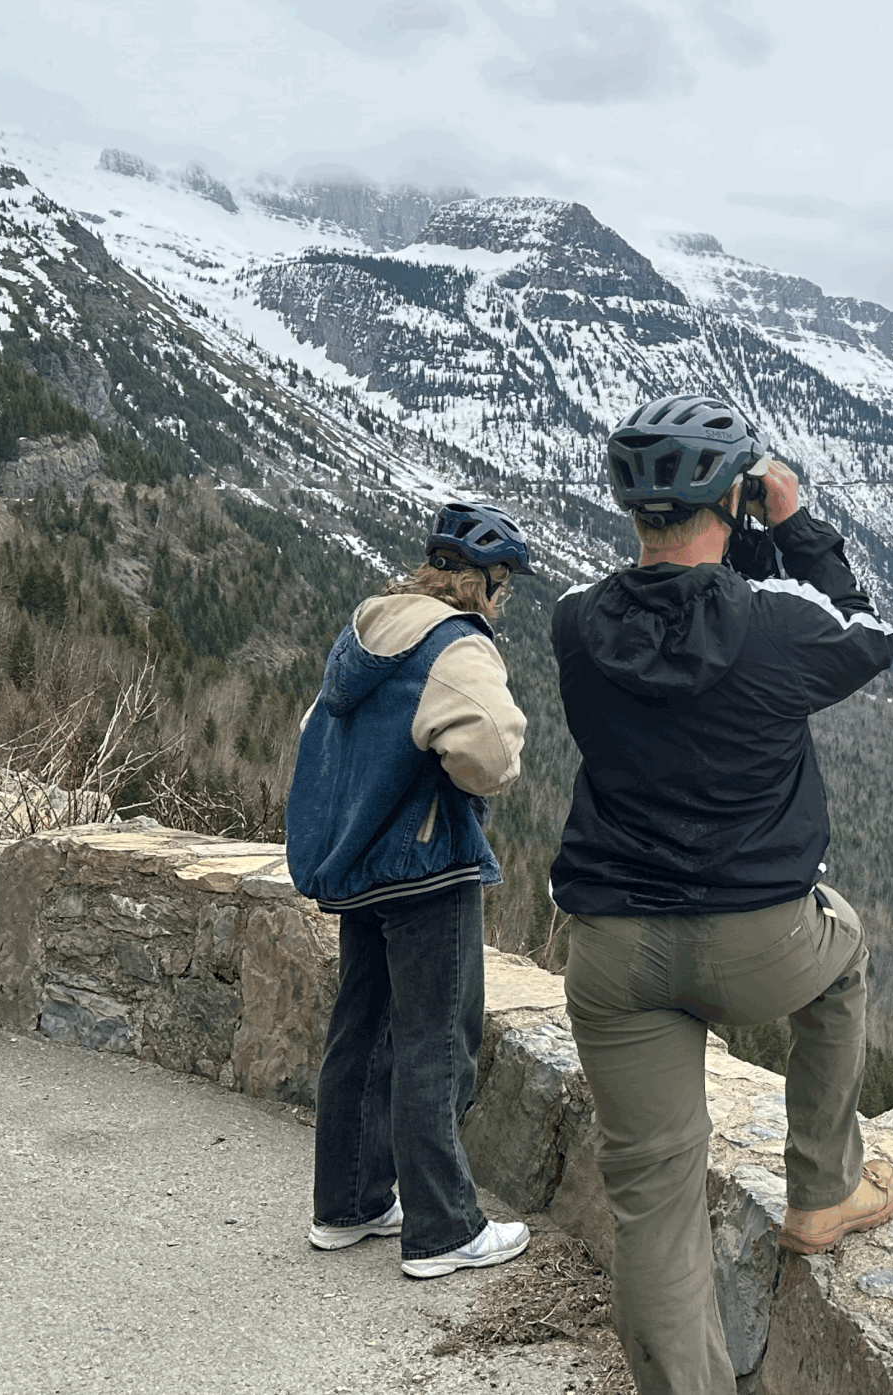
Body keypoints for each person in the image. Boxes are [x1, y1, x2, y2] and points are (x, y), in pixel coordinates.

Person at [552, 394, 893, 1395]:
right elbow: (867, 633)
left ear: (633, 510)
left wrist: (740, 540)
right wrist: (790, 522)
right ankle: (823, 1191)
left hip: (616, 950)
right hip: (761, 944)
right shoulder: (778, 625)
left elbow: (680, 621)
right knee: (847, 955)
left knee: (653, 1208)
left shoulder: (576, 626)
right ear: (732, 501)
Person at [286, 500, 537, 1280]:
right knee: (437, 1040)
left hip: (361, 860)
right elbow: (492, 752)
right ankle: (443, 1228)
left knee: (361, 1030)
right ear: (487, 584)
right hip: (429, 864)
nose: (504, 602)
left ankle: (350, 1202)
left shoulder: (368, 628)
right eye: (505, 588)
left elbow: (318, 727)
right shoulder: (455, 645)